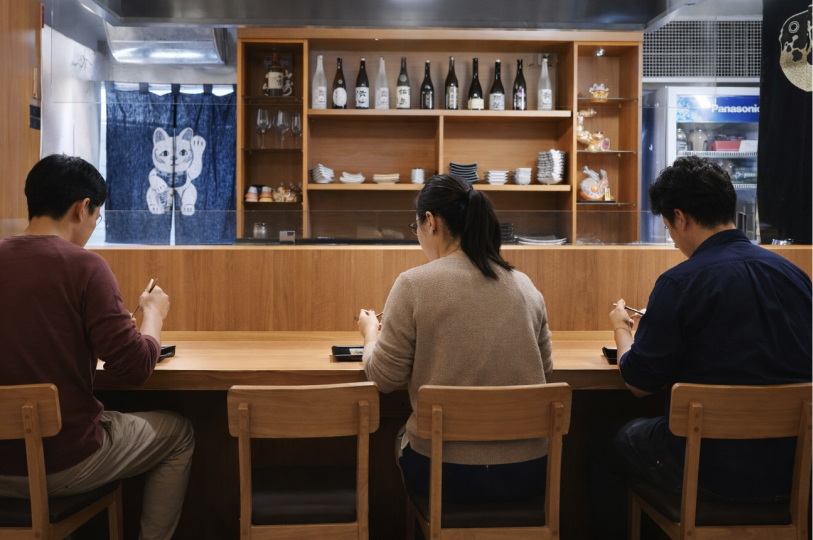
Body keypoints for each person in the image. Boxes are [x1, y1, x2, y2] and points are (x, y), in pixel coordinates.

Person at [588, 156, 812, 539]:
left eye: (668, 226)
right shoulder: (794, 276)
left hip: (710, 469)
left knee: (602, 441)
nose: (672, 238)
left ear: (681, 217)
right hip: (794, 471)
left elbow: (639, 383)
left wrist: (621, 327)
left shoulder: (681, 283)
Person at [0, 155, 195, 540]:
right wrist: (152, 315)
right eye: (96, 217)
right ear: (82, 208)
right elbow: (136, 368)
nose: (92, 226)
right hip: (63, 463)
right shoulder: (85, 267)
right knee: (180, 433)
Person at [357, 174, 553, 503]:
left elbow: (384, 378)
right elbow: (545, 371)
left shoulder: (413, 284)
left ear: (430, 222)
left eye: (415, 226)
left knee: (400, 439)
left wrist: (369, 335)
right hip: (528, 472)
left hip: (446, 475)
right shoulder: (525, 286)